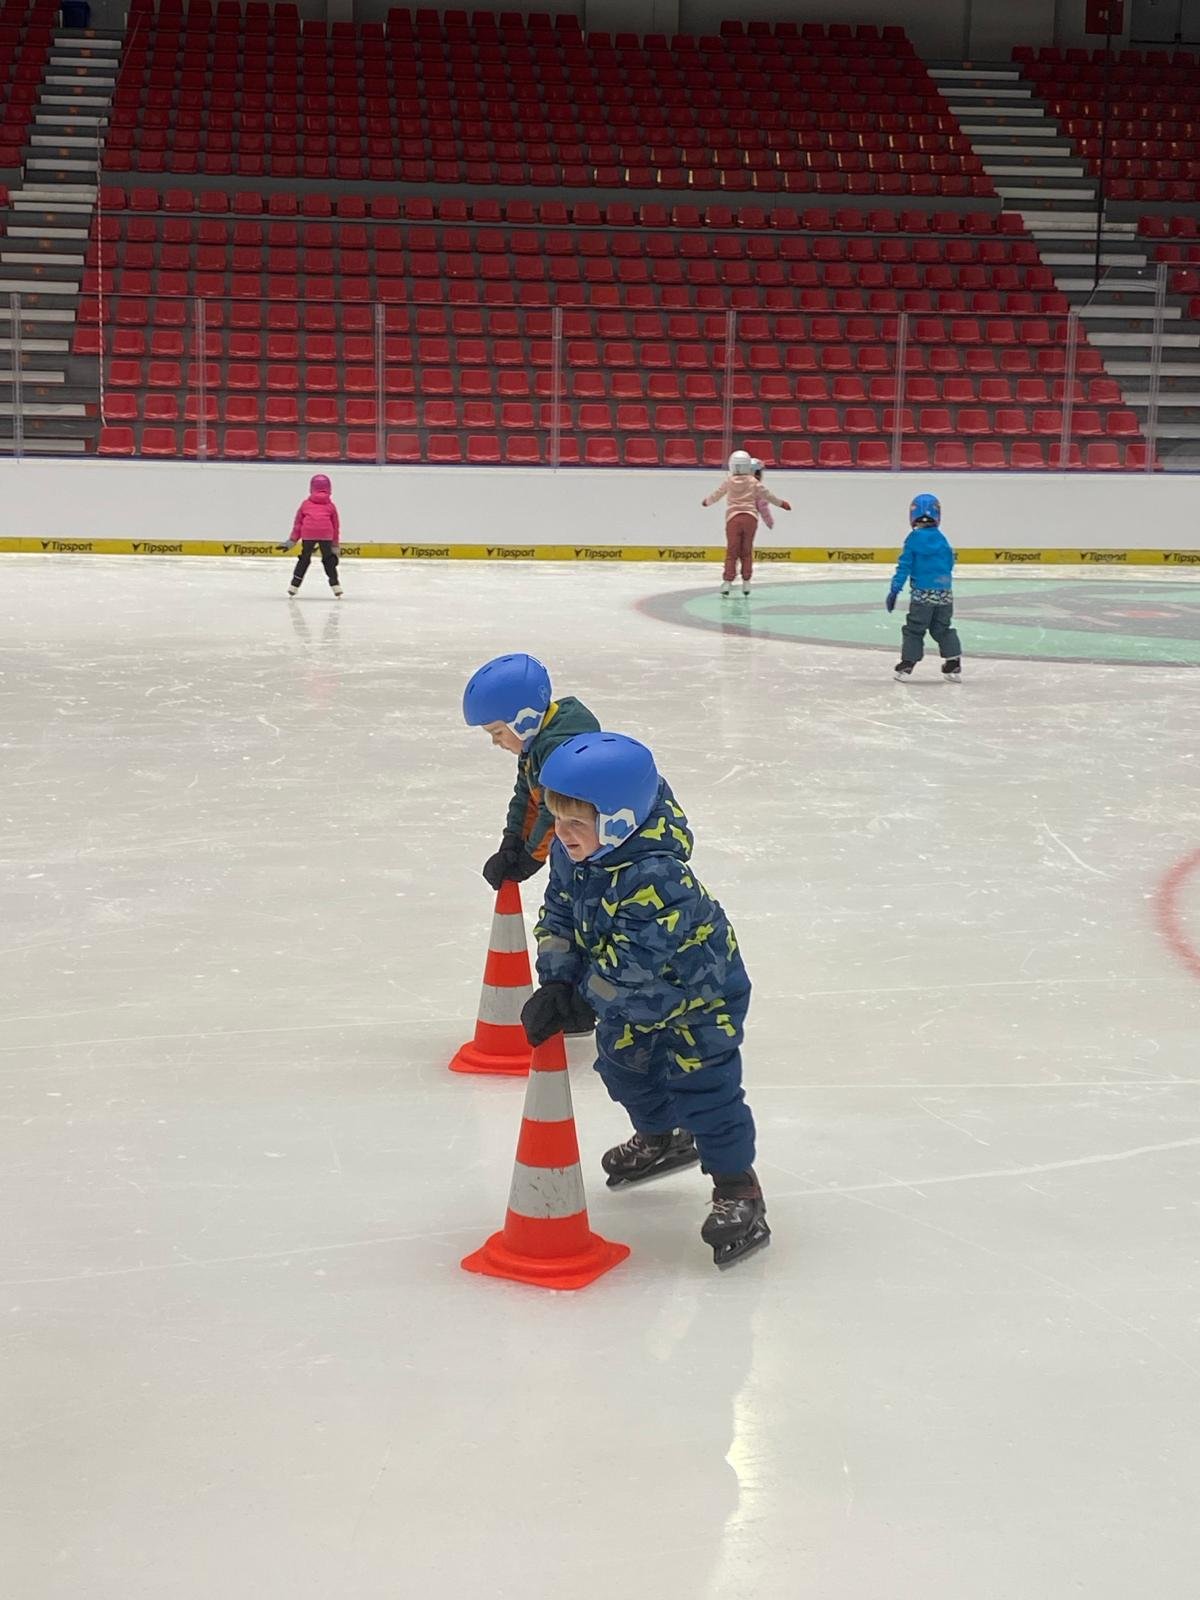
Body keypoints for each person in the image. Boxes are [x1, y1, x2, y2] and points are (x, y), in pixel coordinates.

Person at [521, 731, 769, 1269]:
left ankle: (738, 1188)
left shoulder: (658, 876)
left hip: (700, 998)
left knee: (706, 1091)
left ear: (619, 821)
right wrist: (558, 981)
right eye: (557, 820)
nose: (561, 834)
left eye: (575, 823)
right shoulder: (573, 854)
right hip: (627, 997)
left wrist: (583, 1000)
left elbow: (635, 962)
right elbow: (558, 914)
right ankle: (663, 1136)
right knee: (623, 1069)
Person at [462, 653, 600, 1034]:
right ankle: (568, 998)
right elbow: (527, 795)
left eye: (496, 732)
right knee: (564, 916)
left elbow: (551, 814)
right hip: (570, 851)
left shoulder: (558, 749)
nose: (496, 742)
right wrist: (512, 841)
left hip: (585, 853)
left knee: (581, 921)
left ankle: (582, 1001)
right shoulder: (537, 745)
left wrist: (528, 858)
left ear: (523, 719)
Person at [886, 491, 963, 682]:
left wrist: (895, 589)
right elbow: (949, 563)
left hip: (922, 594)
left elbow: (904, 566)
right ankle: (953, 661)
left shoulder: (913, 539)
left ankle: (907, 664)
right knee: (942, 628)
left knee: (914, 629)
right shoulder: (942, 538)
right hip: (944, 594)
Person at [702, 448, 790, 598]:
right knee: (746, 550)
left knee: (732, 551)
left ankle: (727, 582)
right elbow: (768, 495)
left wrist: (707, 502)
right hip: (750, 518)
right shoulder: (753, 482)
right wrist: (782, 504)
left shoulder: (729, 481)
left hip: (733, 518)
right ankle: (746, 581)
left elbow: (717, 494)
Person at [283, 473, 343, 598]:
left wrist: (292, 540)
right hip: (326, 533)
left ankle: (294, 586)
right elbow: (335, 527)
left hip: (308, 533)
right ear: (329, 489)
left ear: (311, 488)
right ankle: (335, 585)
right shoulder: (331, 506)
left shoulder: (305, 504)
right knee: (328, 559)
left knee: (304, 558)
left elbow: (298, 524)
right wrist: (335, 545)